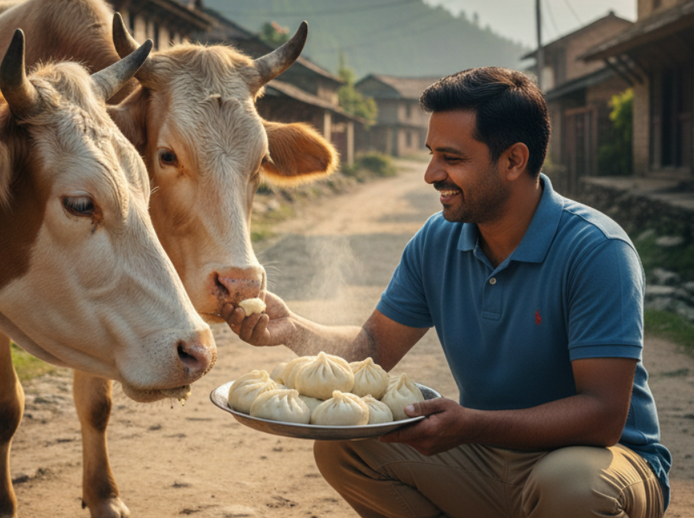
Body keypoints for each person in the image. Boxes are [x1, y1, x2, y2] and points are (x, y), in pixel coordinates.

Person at [222, 67, 670, 518]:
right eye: (431, 154)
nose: (431, 174)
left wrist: (472, 425)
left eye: (451, 158)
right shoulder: (437, 241)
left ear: (514, 161)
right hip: (490, 454)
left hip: (600, 461)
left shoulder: (596, 250)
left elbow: (604, 415)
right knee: (348, 448)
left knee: (571, 489)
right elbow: (371, 350)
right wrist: (289, 328)